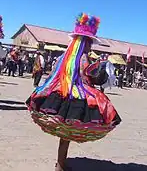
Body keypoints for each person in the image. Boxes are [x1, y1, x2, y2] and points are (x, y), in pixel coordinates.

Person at [26, 13, 121, 171]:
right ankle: (61, 166)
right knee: (67, 131)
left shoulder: (63, 57)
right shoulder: (83, 58)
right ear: (84, 43)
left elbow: (52, 75)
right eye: (89, 43)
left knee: (64, 133)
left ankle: (60, 163)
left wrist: (45, 89)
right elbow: (87, 78)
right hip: (74, 97)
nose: (90, 46)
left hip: (59, 93)